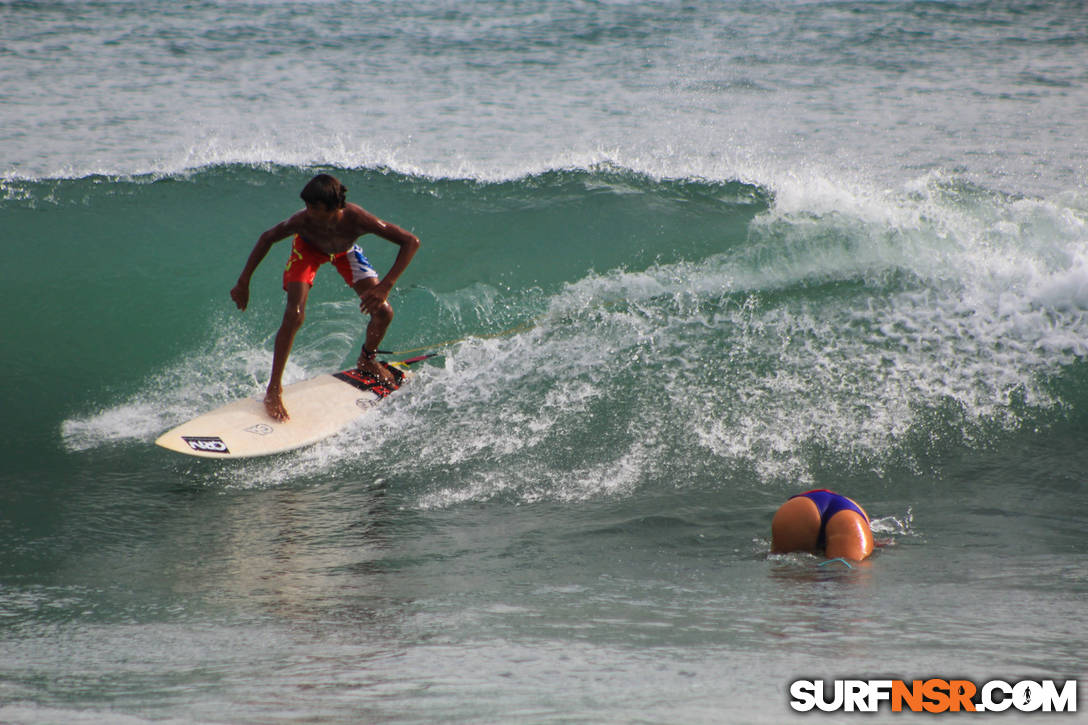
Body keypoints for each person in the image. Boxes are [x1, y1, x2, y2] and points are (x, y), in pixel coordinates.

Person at [230, 174, 420, 422]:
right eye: (306, 205)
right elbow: (267, 237)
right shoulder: (303, 222)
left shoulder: (357, 218)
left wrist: (385, 286)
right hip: (307, 252)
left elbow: (410, 242)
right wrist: (244, 281)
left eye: (314, 207)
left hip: (345, 252)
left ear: (334, 208)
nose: (307, 212)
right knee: (295, 314)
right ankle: (273, 389)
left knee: (384, 312)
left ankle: (367, 359)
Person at [771, 489, 874, 561]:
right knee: (848, 571)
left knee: (788, 570)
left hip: (799, 508)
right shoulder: (853, 512)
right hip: (848, 514)